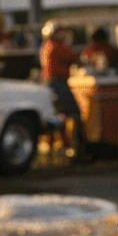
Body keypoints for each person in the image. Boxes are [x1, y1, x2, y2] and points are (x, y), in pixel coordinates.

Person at [39, 21, 83, 162]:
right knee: (75, 114)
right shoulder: (57, 46)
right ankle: (77, 151)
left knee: (58, 115)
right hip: (58, 83)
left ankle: (58, 149)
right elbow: (74, 57)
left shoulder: (45, 46)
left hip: (48, 84)